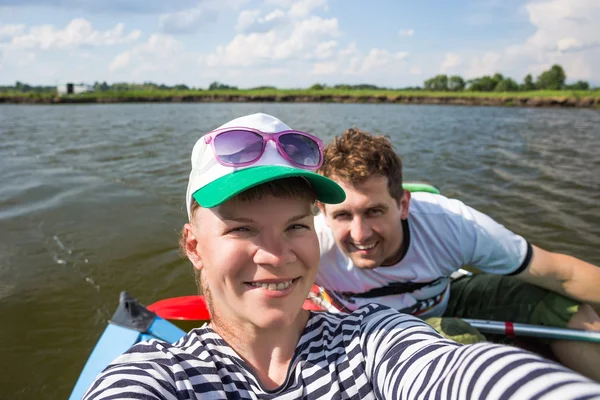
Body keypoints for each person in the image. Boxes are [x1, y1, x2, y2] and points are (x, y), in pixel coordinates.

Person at [82, 113, 600, 399]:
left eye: (294, 226)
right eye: (242, 228)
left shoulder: (379, 331)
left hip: (442, 299)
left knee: (564, 308)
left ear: (405, 205)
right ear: (194, 246)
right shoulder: (158, 374)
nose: (276, 254)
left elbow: (453, 371)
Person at [313, 127, 600, 381]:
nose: (360, 234)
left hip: (446, 300)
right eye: (342, 216)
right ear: (323, 213)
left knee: (553, 302)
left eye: (374, 211)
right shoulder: (308, 243)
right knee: (453, 337)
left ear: (403, 204)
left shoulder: (450, 222)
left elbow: (562, 274)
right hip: (364, 333)